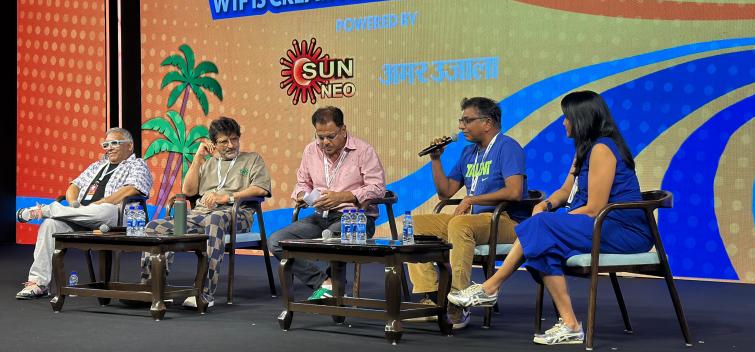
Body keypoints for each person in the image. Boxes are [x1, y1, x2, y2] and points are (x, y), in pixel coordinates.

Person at [447, 90, 654, 345]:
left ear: (582, 118)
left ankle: (491, 287)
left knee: (541, 227)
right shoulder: (584, 150)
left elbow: (594, 207)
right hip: (596, 224)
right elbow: (566, 190)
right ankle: (570, 325)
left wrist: (554, 220)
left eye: (567, 117)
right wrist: (546, 205)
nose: (563, 122)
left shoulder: (603, 148)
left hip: (620, 229)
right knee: (543, 246)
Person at [406, 97, 528, 329]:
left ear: (487, 123)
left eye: (467, 120)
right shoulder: (468, 153)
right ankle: (433, 297)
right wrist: (435, 159)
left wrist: (472, 199)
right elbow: (446, 193)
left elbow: (514, 192)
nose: (461, 126)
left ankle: (458, 301)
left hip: (505, 220)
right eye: (461, 120)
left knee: (460, 225)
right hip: (475, 220)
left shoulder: (508, 147)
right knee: (414, 225)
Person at [141, 116, 271, 308]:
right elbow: (188, 191)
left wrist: (228, 197)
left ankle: (204, 292)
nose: (230, 145)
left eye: (234, 139)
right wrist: (198, 158)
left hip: (237, 214)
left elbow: (260, 189)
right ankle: (154, 289)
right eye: (223, 141)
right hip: (199, 216)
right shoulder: (209, 163)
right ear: (213, 144)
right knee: (155, 227)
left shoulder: (252, 159)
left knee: (216, 219)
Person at [15, 127, 153, 299]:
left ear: (130, 146)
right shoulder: (97, 165)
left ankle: (46, 210)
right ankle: (38, 283)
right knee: (50, 224)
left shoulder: (137, 164)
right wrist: (73, 204)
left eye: (114, 143)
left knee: (106, 209)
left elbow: (131, 189)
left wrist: (103, 202)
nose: (109, 148)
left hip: (115, 216)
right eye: (106, 144)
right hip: (81, 215)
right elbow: (74, 186)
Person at [268, 106, 386, 300]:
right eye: (320, 137)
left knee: (330, 236)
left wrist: (343, 197)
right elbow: (301, 183)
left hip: (356, 219)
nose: (324, 142)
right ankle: (324, 284)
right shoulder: (310, 150)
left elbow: (378, 188)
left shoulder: (363, 151)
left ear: (343, 130)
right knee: (276, 242)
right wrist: (303, 196)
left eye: (330, 136)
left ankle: (334, 292)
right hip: (320, 217)